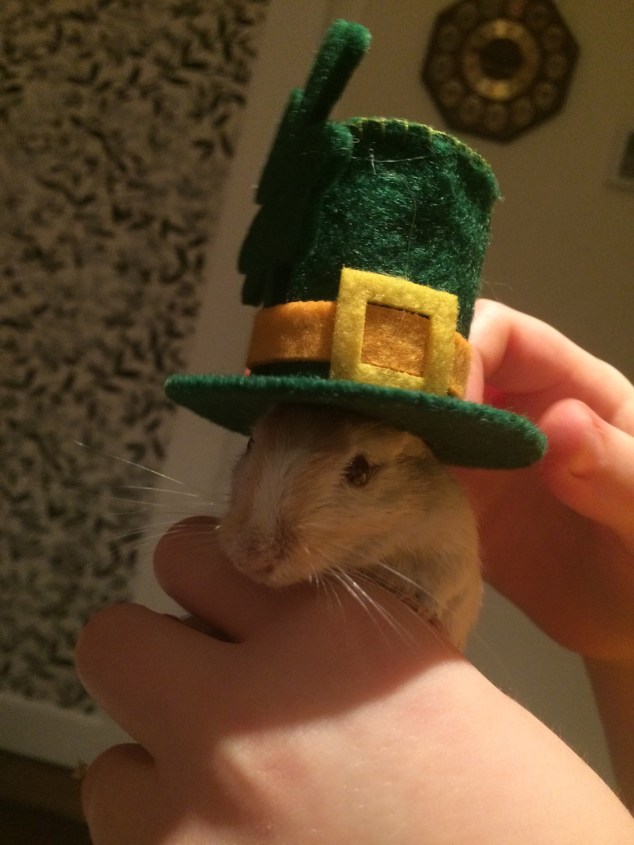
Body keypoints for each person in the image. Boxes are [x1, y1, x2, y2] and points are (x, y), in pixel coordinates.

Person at [75, 300, 634, 843]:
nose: (260, 544)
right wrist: (622, 649)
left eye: (357, 472)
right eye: (253, 448)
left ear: (414, 465)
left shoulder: (440, 515)